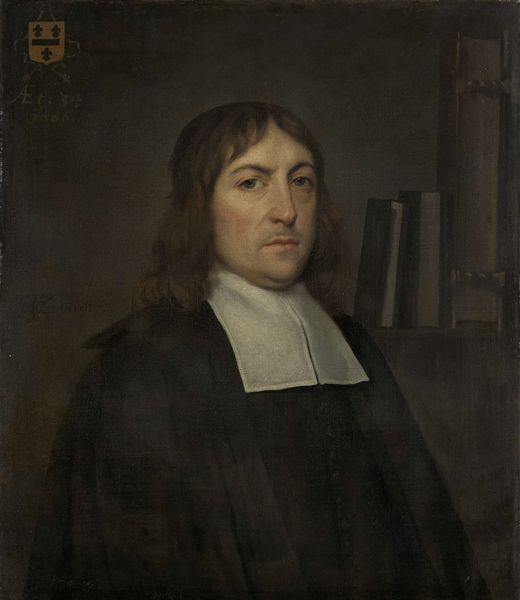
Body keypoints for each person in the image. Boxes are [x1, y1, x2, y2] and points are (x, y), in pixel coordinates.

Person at [25, 102, 489, 600]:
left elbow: (432, 551)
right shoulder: (142, 365)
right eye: (251, 182)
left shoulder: (351, 345)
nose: (287, 210)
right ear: (199, 207)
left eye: (301, 181)